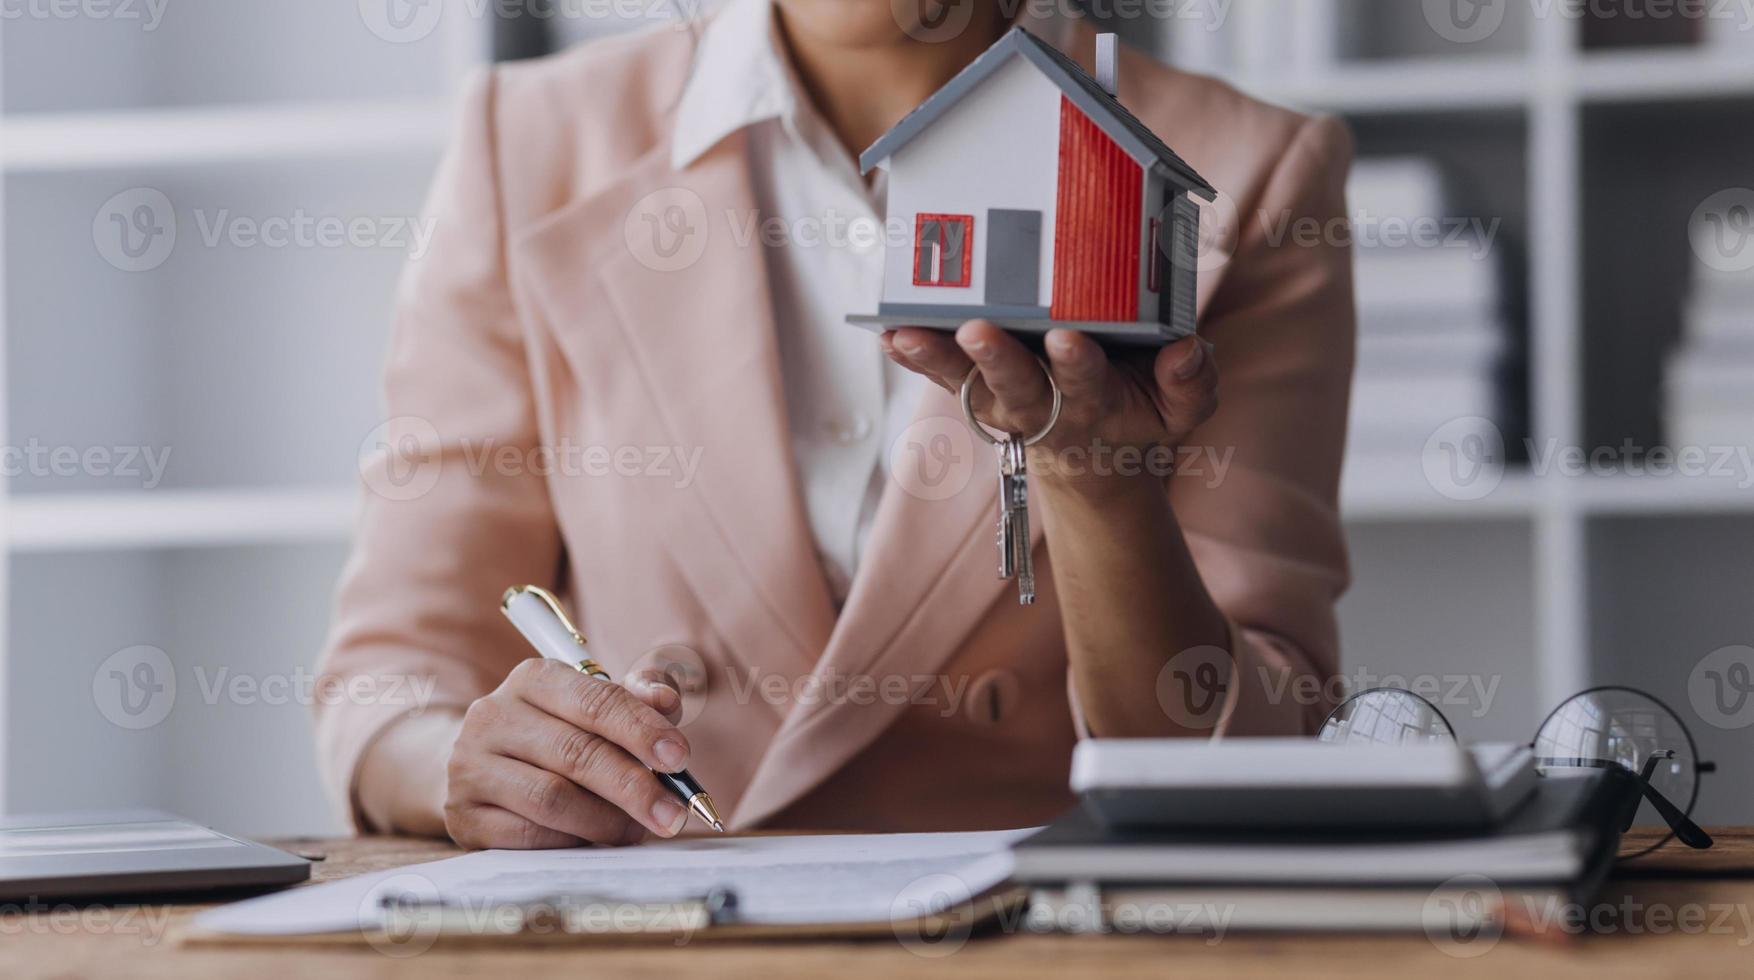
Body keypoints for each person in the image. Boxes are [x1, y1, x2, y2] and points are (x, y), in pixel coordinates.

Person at [316, 0, 1356, 848]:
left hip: (1033, 943)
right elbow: (392, 676)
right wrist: (473, 762)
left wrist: (1094, 485)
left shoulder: (1253, 173)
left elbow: (1241, 744)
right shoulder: (530, 141)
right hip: (653, 937)